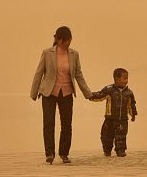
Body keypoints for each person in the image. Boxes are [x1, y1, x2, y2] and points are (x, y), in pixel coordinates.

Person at [30, 26, 93, 164]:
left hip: (66, 92)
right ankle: (50, 154)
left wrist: (87, 93)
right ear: (57, 39)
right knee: (48, 123)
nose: (67, 43)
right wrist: (34, 92)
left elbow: (78, 74)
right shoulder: (47, 53)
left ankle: (64, 153)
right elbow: (39, 72)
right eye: (64, 40)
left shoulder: (74, 54)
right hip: (48, 93)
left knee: (66, 124)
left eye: (69, 40)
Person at [88, 68, 138, 157]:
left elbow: (132, 105)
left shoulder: (129, 93)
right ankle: (107, 151)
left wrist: (133, 114)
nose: (127, 81)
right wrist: (90, 95)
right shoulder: (109, 89)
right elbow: (100, 95)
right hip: (109, 119)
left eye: (127, 78)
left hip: (122, 120)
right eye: (125, 78)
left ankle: (121, 151)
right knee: (106, 135)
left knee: (121, 136)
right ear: (117, 78)